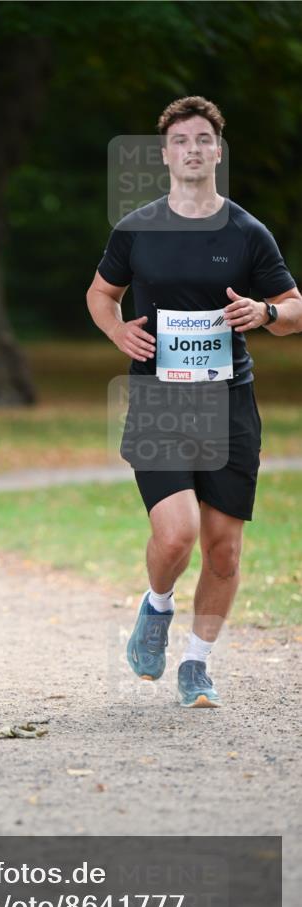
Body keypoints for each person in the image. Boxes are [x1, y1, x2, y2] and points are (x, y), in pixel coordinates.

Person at [86, 96, 302, 707]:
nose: (192, 149)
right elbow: (101, 294)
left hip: (229, 403)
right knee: (177, 535)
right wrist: (117, 331)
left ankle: (196, 665)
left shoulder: (246, 231)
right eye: (181, 140)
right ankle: (157, 606)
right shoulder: (136, 228)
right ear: (164, 154)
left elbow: (294, 308)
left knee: (224, 550)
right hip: (159, 400)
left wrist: (265, 313)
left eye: (203, 139)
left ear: (218, 151)